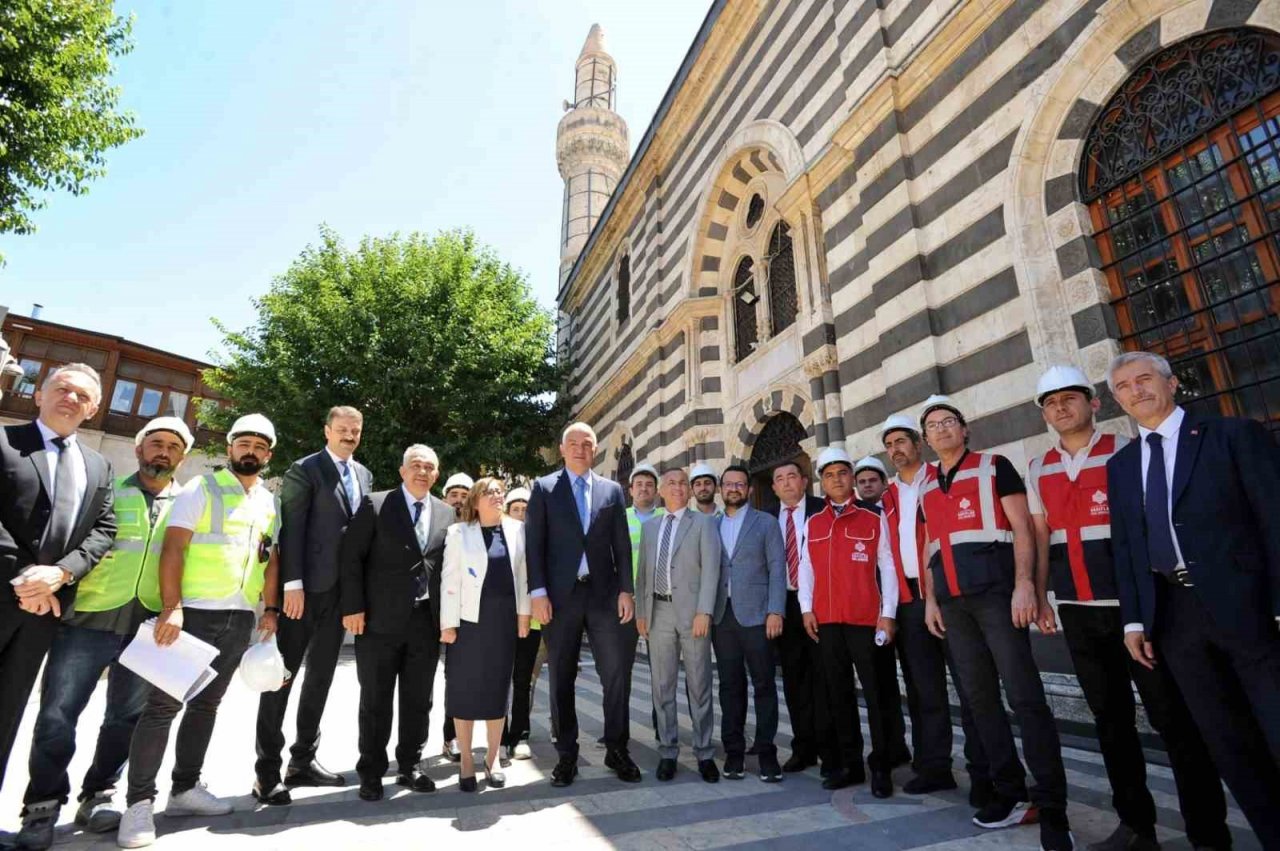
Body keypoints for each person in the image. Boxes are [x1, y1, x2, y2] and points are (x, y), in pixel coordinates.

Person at [1027, 365, 1229, 851]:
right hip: (1076, 609)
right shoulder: (1038, 467)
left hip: (1138, 608)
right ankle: (1137, 827)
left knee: (1173, 719)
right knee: (1111, 723)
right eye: (1050, 402)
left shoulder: (1126, 451)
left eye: (1069, 397)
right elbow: (1040, 534)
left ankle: (1208, 833)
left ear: (1094, 403)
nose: (1060, 407)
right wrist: (1038, 593)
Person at [1107, 351, 1280, 847]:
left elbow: (1274, 517)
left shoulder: (1231, 436)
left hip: (1247, 609)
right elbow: (1127, 548)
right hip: (1174, 619)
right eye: (1124, 386)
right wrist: (1134, 622)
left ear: (1171, 383)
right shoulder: (1121, 466)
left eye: (1145, 379)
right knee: (1230, 746)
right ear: (1116, 399)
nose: (1136, 391)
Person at [12, 418, 190, 849]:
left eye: (172, 447)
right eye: (155, 444)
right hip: (87, 621)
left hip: (147, 627)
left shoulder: (188, 503)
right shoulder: (107, 490)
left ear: (182, 456)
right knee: (58, 715)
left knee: (125, 719)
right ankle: (42, 805)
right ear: (138, 449)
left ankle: (99, 794)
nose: (162, 452)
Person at [118, 414, 281, 849]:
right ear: (229, 448)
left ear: (268, 455)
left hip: (239, 617)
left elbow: (269, 556)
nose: (251, 451)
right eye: (243, 443)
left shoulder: (267, 500)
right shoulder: (201, 489)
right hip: (193, 615)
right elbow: (174, 548)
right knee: (162, 707)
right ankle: (138, 804)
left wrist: (270, 609)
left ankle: (185, 789)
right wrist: (172, 608)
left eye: (259, 446)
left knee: (207, 706)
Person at [918, 395, 1072, 851]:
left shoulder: (993, 466)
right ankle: (1011, 795)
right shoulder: (928, 488)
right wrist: (930, 601)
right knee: (980, 700)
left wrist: (1027, 585)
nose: (942, 429)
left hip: (997, 598)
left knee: (1025, 698)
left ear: (965, 430)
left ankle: (1052, 808)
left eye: (950, 422)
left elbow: (1023, 528)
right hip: (953, 605)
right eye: (933, 425)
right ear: (927, 440)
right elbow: (929, 551)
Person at [0, 364, 116, 810]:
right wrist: (28, 578)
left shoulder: (97, 464)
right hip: (8, 595)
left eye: (82, 395)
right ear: (38, 395)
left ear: (93, 408)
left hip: (41, 614)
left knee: (6, 716)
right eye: (61, 388)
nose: (71, 398)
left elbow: (103, 529)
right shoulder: (6, 443)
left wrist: (62, 573)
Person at [253, 406, 373, 805]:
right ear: (327, 430)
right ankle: (266, 772)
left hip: (342, 596)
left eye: (354, 431)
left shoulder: (364, 475)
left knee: (320, 678)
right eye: (342, 429)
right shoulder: (304, 469)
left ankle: (302, 760)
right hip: (302, 593)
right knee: (280, 681)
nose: (349, 436)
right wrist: (292, 583)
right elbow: (292, 528)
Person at [879, 415, 990, 801]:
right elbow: (888, 559)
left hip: (948, 596)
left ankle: (985, 772)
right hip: (910, 605)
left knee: (971, 685)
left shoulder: (940, 478)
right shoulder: (888, 497)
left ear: (919, 443)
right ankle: (934, 767)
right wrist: (890, 610)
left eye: (901, 442)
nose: (896, 450)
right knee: (924, 691)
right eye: (889, 444)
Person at [526, 422, 639, 787]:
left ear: (595, 450)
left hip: (605, 596)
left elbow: (621, 544)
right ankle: (566, 755)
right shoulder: (543, 489)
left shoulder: (611, 491)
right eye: (573, 443)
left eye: (587, 444)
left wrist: (627, 590)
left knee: (616, 674)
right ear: (562, 449)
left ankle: (617, 749)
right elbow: (534, 545)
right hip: (560, 598)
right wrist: (538, 592)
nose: (579, 449)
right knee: (561, 675)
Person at [340, 445, 454, 802]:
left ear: (436, 475)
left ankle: (410, 765)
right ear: (403, 471)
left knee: (419, 700)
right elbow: (351, 559)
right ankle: (371, 772)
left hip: (425, 622)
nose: (422, 472)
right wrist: (353, 607)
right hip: (378, 623)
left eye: (429, 467)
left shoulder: (447, 513)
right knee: (375, 699)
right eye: (416, 466)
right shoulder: (375, 504)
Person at [799, 447, 898, 797]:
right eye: (829, 475)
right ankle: (851, 765)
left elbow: (887, 565)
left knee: (876, 695)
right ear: (822, 482)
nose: (836, 480)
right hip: (826, 621)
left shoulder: (874, 516)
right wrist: (806, 609)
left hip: (866, 620)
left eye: (842, 473)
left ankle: (882, 766)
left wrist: (888, 614)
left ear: (851, 477)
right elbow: (806, 569)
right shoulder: (814, 522)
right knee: (838, 695)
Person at [441, 478, 531, 791]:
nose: (497, 496)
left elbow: (523, 576)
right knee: (463, 691)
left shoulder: (518, 530)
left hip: (503, 622)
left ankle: (492, 758)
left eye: (499, 492)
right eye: (490, 492)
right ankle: (466, 758)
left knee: (497, 691)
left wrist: (524, 616)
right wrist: (447, 623)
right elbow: (449, 580)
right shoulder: (458, 532)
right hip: (467, 623)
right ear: (476, 500)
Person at [636, 468, 721, 782]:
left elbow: (712, 570)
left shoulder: (704, 524)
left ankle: (704, 753)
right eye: (671, 483)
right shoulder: (651, 527)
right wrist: (642, 613)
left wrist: (705, 612)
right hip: (658, 613)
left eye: (683, 483)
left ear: (689, 490)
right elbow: (643, 573)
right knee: (662, 687)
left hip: (693, 615)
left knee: (699, 685)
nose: (677, 487)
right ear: (661, 489)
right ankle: (667, 751)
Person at [711, 465, 785, 782]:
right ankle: (734, 754)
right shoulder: (710, 526)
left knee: (764, 684)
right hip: (722, 617)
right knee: (730, 687)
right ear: (720, 489)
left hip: (757, 616)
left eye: (740, 484)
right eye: (729, 484)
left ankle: (767, 753)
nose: (734, 489)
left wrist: (776, 611)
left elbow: (777, 569)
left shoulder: (765, 523)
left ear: (749, 489)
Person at [767, 461, 838, 776]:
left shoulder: (825, 509)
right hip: (784, 604)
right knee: (795, 680)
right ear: (773, 487)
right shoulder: (767, 518)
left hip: (822, 602)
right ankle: (804, 748)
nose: (786, 483)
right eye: (779, 479)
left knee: (826, 677)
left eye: (791, 476)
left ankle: (830, 749)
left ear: (805, 481)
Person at [852, 455, 912, 772]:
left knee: (911, 680)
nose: (866, 486)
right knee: (882, 679)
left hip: (908, 602)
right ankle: (891, 746)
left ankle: (902, 746)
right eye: (861, 482)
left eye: (872, 481)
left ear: (883, 483)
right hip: (874, 612)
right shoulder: (858, 516)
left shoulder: (893, 512)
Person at [502, 485, 540, 761]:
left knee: (523, 679)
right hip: (502, 620)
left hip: (534, 622)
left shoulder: (539, 537)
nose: (520, 514)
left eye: (525, 510)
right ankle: (501, 737)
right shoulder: (498, 538)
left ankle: (520, 735)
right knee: (500, 679)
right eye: (515, 509)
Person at [438, 471, 473, 762]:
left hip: (469, 618)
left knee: (461, 678)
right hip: (435, 615)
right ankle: (441, 738)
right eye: (454, 495)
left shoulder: (477, 530)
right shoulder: (436, 527)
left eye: (465, 496)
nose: (459, 501)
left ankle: (456, 738)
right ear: (444, 497)